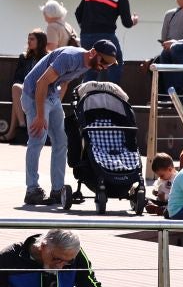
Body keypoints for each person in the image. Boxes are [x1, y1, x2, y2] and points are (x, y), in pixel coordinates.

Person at [21, 41, 118, 206]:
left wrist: (56, 103)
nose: (105, 66)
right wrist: (40, 115)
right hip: (34, 94)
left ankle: (57, 190)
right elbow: (41, 82)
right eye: (104, 61)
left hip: (51, 96)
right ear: (93, 52)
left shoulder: (89, 64)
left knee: (61, 141)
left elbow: (64, 80)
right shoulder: (70, 58)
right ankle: (32, 190)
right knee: (37, 141)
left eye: (109, 64)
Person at [74, 0, 138, 83]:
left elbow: (78, 13)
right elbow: (127, 23)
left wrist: (86, 28)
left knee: (90, 66)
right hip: (106, 36)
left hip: (86, 35)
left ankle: (84, 97)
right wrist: (134, 20)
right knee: (115, 63)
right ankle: (112, 95)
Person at [6, 30, 46, 145]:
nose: (29, 41)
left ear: (40, 41)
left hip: (41, 88)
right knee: (16, 88)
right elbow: (17, 78)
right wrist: (25, 85)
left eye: (32, 39)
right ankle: (23, 125)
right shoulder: (24, 57)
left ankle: (12, 132)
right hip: (25, 88)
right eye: (28, 39)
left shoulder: (47, 57)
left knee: (17, 100)